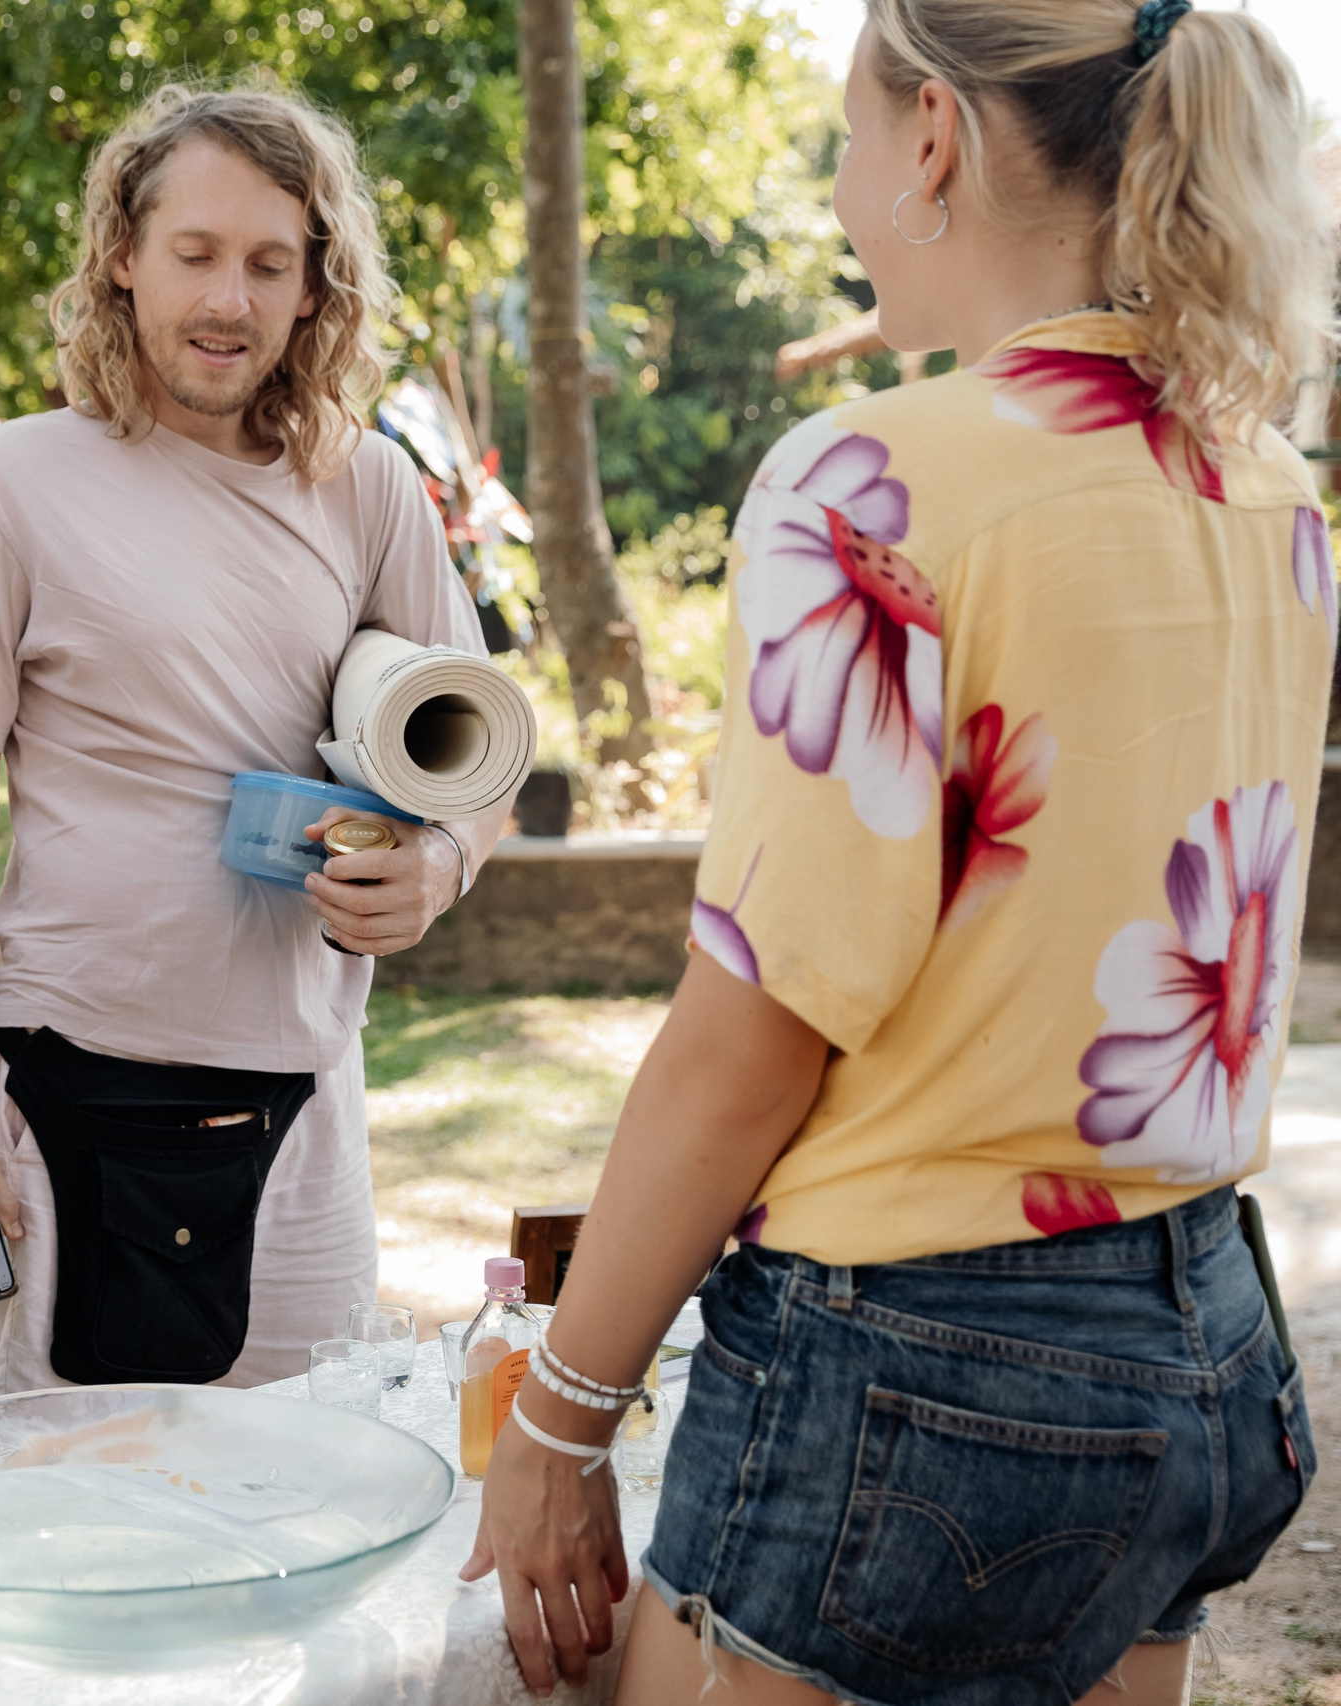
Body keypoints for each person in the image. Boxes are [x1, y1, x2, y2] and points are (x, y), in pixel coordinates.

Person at [468, 3, 1336, 1702]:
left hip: (920, 1371)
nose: (844, 191)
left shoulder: (871, 484)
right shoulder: (1264, 478)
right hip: (1211, 1340)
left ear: (935, 134)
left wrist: (561, 1415)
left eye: (850, 139)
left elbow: (753, 1040)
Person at [0, 81, 503, 1398]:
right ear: (123, 256)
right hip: (71, 1080)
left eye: (269, 263)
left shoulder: (369, 487)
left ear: (314, 284)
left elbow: (482, 763)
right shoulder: (8, 482)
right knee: (76, 1494)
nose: (230, 300)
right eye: (197, 253)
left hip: (305, 1091)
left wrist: (439, 865)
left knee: (302, 1479)